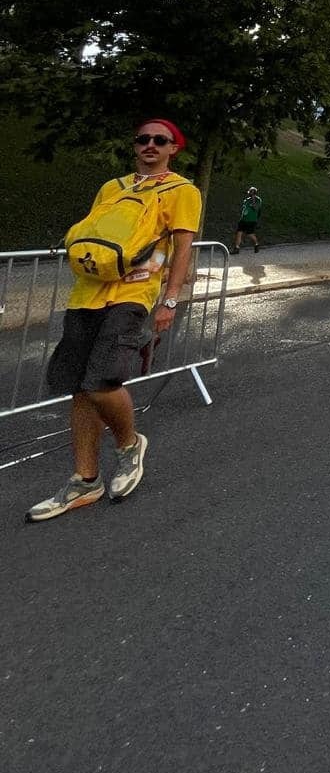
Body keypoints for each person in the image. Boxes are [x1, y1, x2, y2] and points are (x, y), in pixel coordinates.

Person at [27, 118, 201, 522]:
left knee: (103, 382)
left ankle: (129, 444)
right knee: (79, 388)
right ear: (135, 145)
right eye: (143, 139)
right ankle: (85, 480)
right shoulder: (112, 188)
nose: (150, 145)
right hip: (86, 294)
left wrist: (170, 301)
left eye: (161, 140)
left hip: (133, 296)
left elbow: (182, 249)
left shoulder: (182, 191)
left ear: (174, 149)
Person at [232, 186, 262, 254]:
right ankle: (236, 248)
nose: (250, 193)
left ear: (255, 193)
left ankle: (256, 244)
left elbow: (256, 208)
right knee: (238, 233)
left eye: (252, 192)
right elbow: (244, 209)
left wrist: (253, 199)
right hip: (243, 220)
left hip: (251, 220)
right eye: (250, 192)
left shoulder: (258, 200)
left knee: (250, 234)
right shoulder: (246, 200)